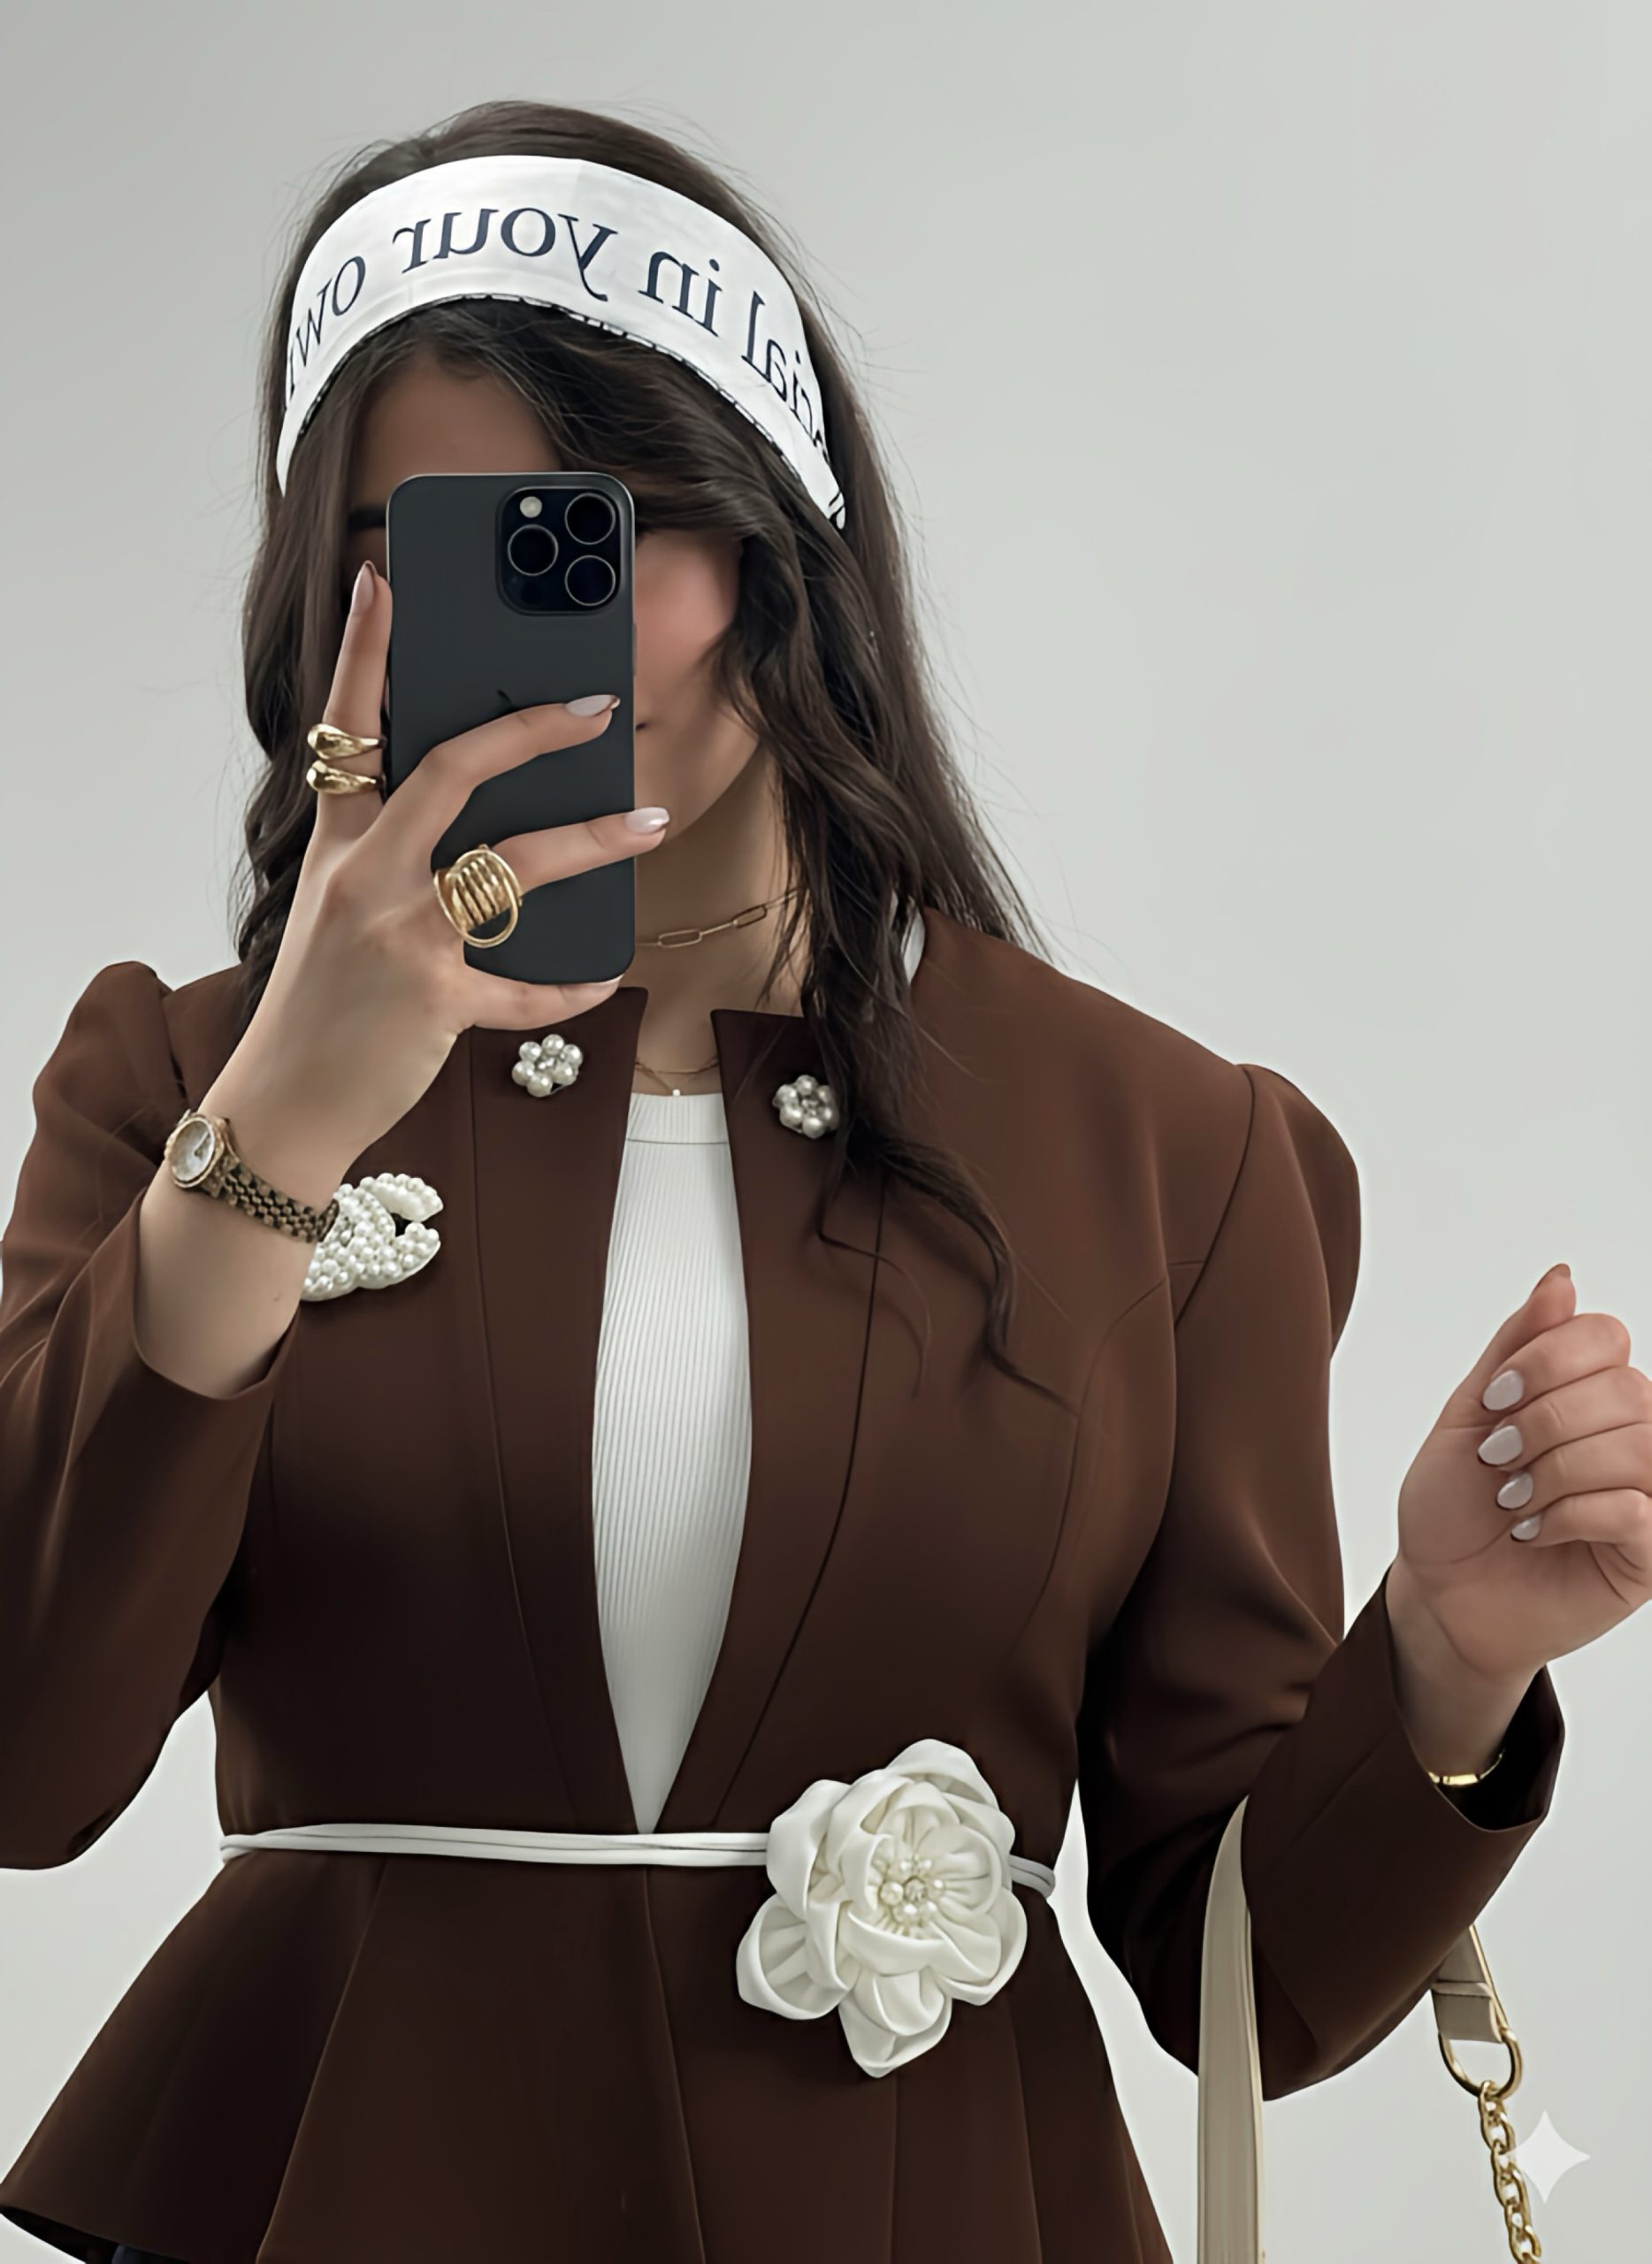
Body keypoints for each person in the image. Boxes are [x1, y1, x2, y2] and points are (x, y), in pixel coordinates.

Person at [0, 97, 1645, 2264]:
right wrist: (276, 1135)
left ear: (780, 548)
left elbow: (1239, 1972)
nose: (565, 630)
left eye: (619, 528)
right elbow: (26, 1755)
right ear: (337, 603)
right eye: (453, 545)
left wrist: (1439, 1658)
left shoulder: (1167, 1151)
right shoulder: (179, 1079)